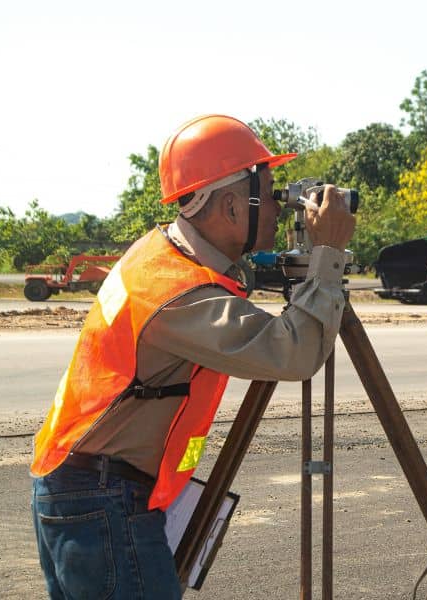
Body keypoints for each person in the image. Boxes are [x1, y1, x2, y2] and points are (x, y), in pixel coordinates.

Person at [29, 114, 355, 599]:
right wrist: (327, 254)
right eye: (266, 194)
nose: (276, 207)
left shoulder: (163, 258)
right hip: (104, 499)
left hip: (89, 489)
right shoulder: (175, 293)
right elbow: (294, 353)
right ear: (228, 205)